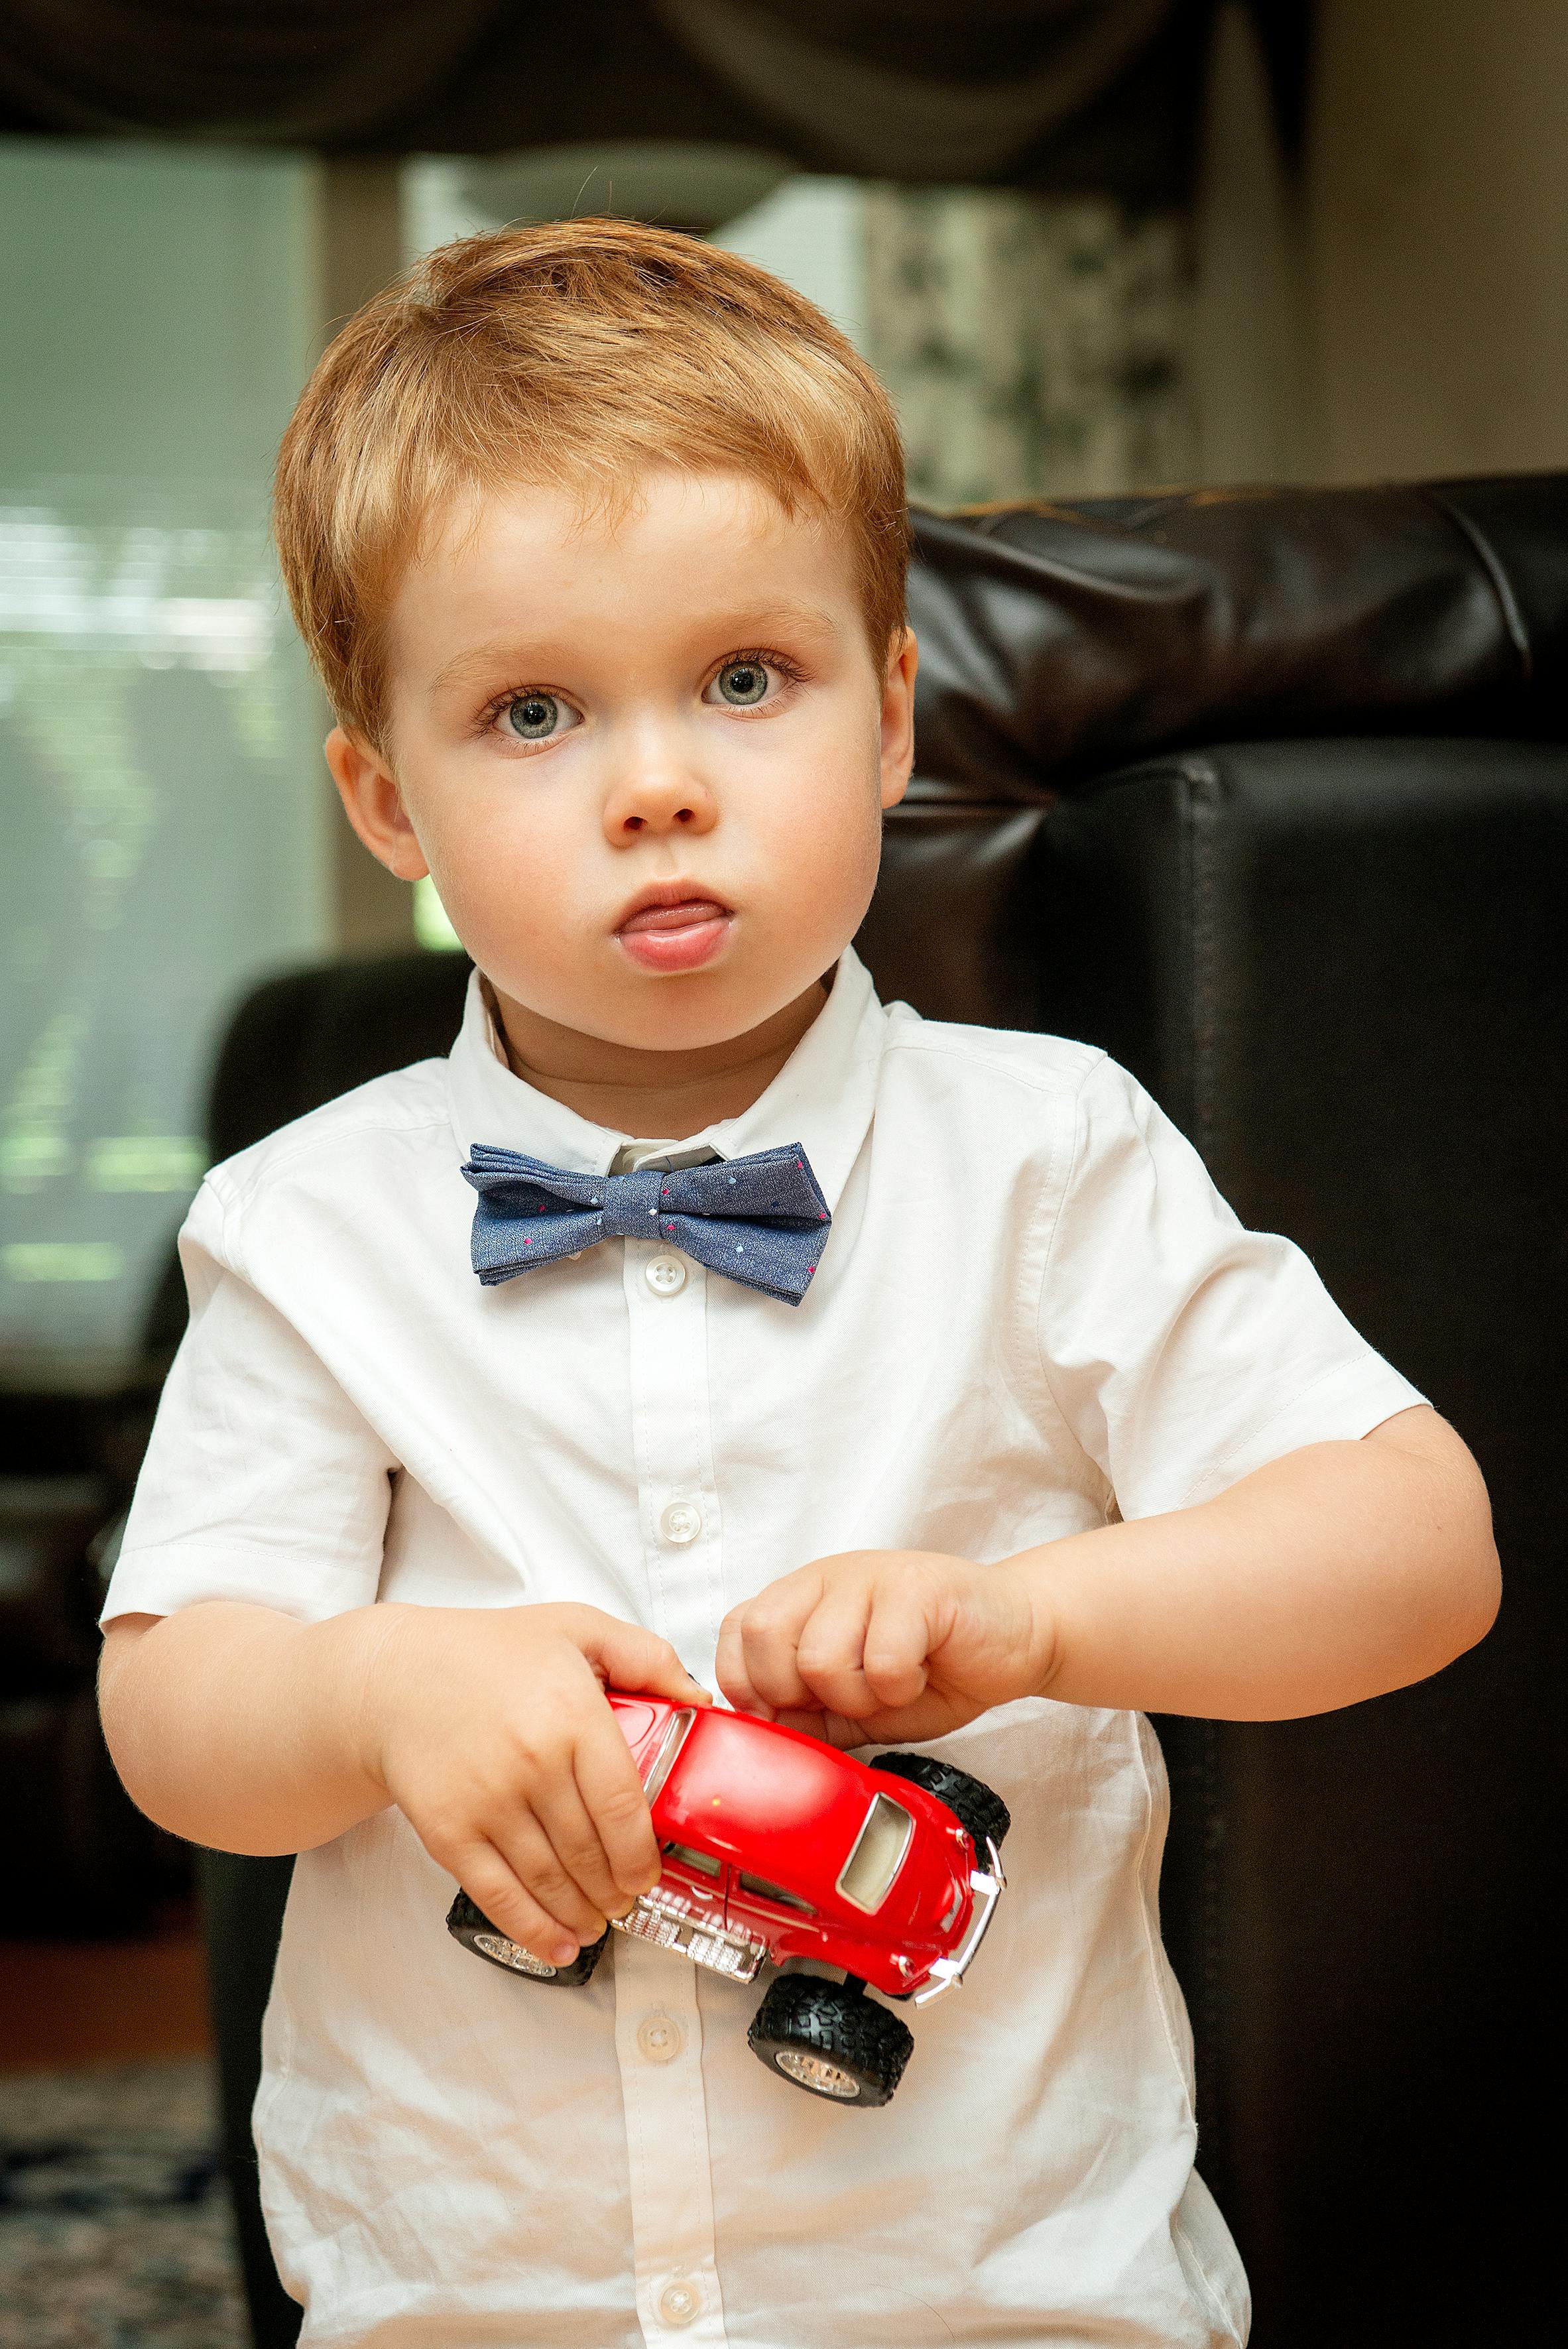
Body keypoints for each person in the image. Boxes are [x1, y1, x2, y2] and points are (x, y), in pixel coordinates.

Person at [97, 220, 1499, 2349]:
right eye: (534, 710)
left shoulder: (1054, 1153)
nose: (659, 780)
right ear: (390, 799)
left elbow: (1421, 1550)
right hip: (478, 2294)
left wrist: (1037, 1618)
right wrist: (380, 1689)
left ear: (892, 718)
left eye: (746, 679)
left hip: (1006, 2289)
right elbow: (180, 1718)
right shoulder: (307, 1224)